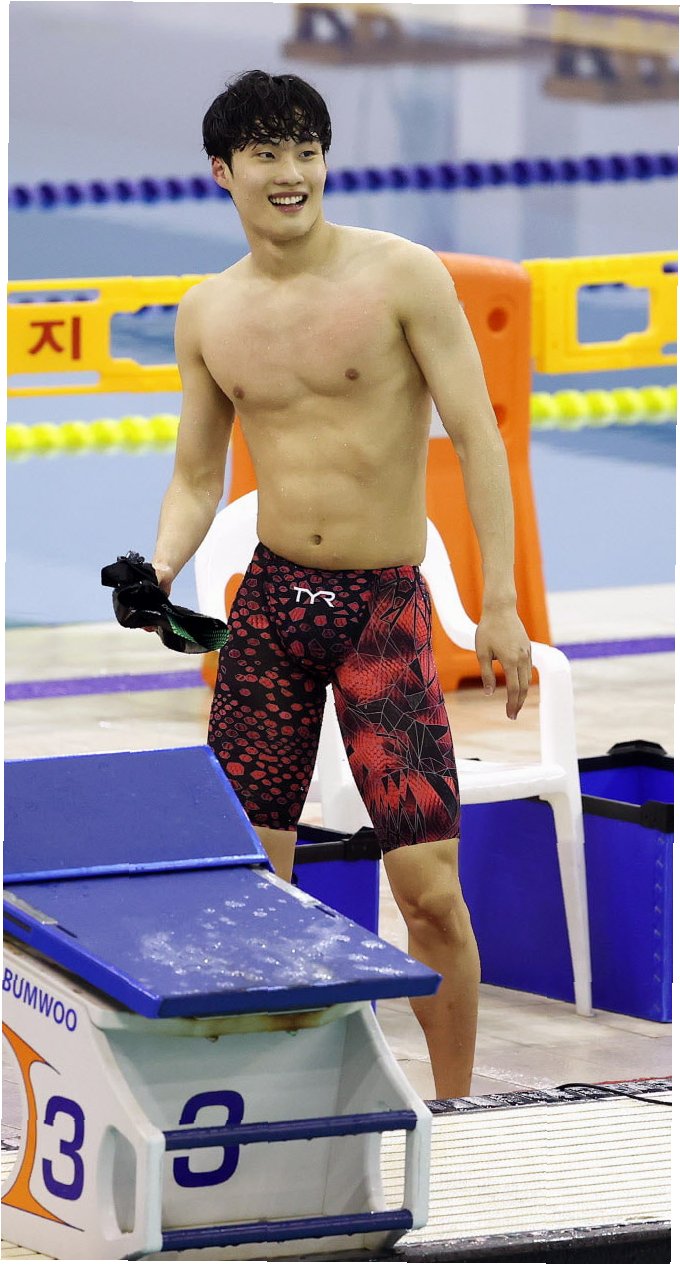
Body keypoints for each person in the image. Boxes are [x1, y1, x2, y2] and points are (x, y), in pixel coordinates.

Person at [151, 69, 532, 1099]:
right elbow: (196, 477)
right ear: (222, 171)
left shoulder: (401, 276)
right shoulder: (208, 312)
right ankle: (262, 1109)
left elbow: (478, 436)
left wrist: (499, 602)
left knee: (430, 893)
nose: (291, 173)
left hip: (381, 615)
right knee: (249, 886)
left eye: (307, 151)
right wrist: (158, 566)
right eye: (266, 154)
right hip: (271, 613)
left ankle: (456, 1108)